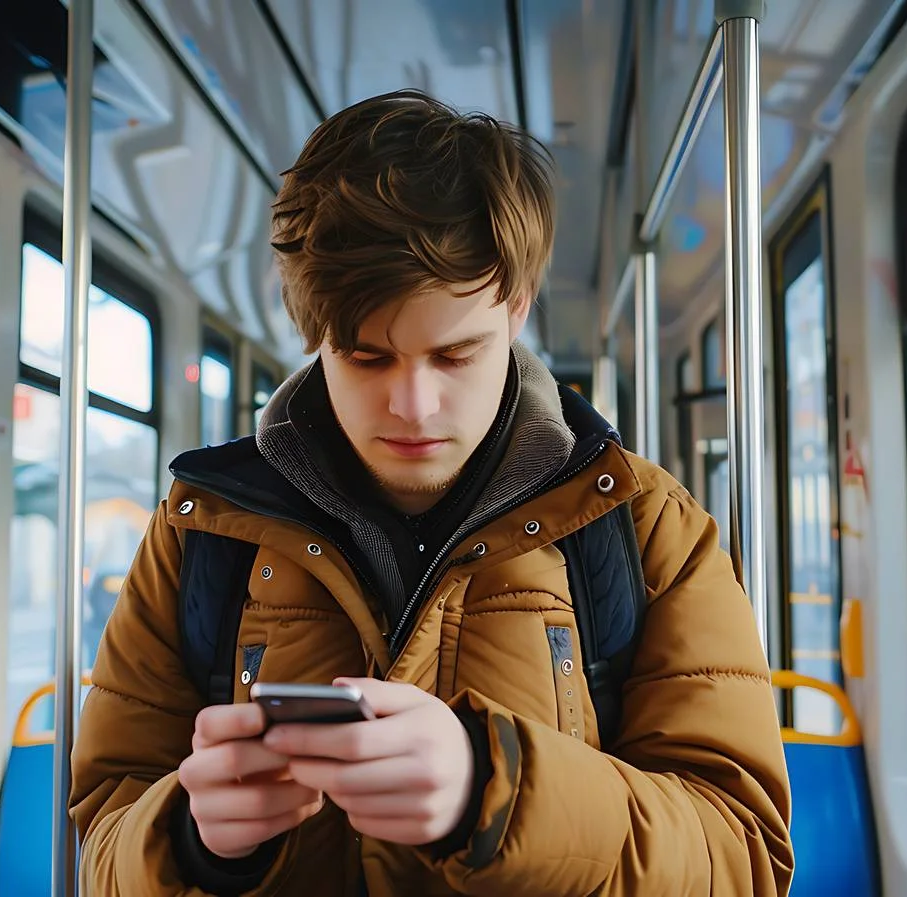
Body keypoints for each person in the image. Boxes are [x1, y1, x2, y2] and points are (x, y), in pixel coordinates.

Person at [69, 88, 793, 896]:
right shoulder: (202, 531)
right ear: (314, 335)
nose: (413, 407)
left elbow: (745, 856)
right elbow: (102, 834)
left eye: (455, 355)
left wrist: (497, 792)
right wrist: (190, 838)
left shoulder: (645, 526)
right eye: (367, 357)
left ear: (516, 310)